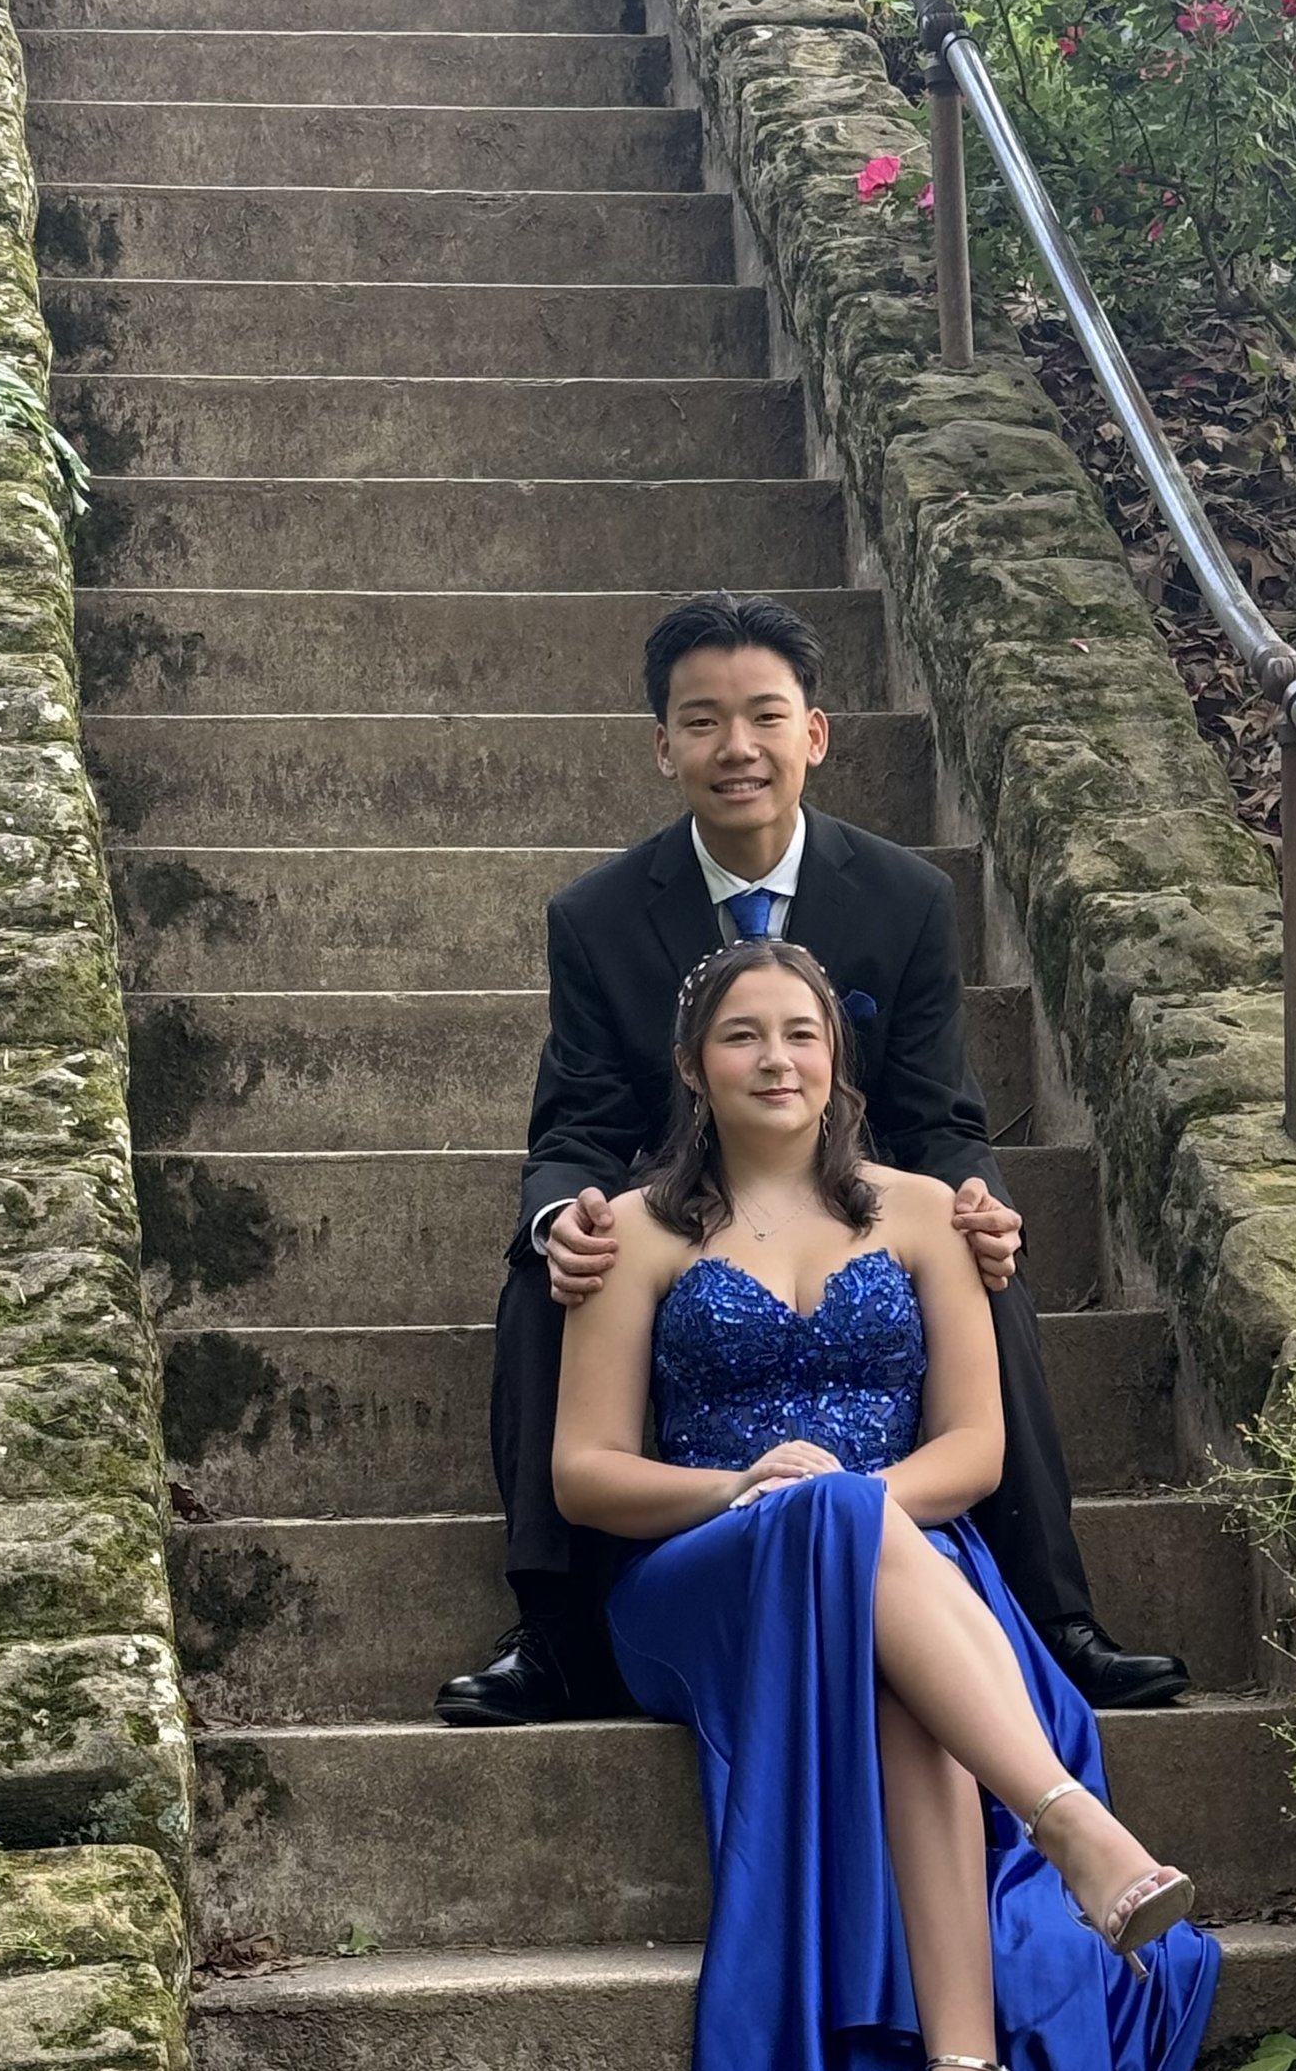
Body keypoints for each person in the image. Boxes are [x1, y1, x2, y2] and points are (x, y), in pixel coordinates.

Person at [550, 936, 1296, 2071]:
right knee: (832, 1519)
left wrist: (851, 1514)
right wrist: (754, 1493)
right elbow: (584, 1474)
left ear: (838, 1056)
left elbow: (976, 1453)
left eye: (801, 1032)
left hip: (904, 1557)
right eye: (744, 1035)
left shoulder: (928, 1210)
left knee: (877, 1617)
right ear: (696, 1067)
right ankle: (1069, 1823)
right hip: (703, 1580)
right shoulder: (630, 1232)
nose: (776, 1058)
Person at [438, 588, 1190, 1727]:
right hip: (684, 1209)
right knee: (549, 1277)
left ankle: (1051, 1614)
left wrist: (974, 1195)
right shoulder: (596, 915)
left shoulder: (901, 895)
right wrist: (565, 1217)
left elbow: (937, 1109)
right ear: (662, 746)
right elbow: (577, 1120)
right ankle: (553, 1633)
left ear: (814, 733)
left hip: (854, 1203)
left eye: (763, 716)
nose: (735, 748)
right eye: (702, 721)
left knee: (985, 1262)